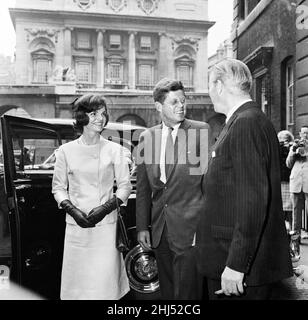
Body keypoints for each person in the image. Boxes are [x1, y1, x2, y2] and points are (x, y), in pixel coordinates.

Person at [195, 58, 293, 300]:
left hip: (237, 267)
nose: (209, 92)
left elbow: (252, 200)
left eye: (209, 85)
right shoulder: (246, 120)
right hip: (233, 260)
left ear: (219, 85)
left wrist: (237, 264)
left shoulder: (245, 123)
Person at [136, 78, 211, 300]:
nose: (181, 106)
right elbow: (143, 189)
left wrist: (203, 228)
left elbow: (208, 183)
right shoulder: (147, 137)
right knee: (167, 293)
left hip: (191, 229)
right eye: (174, 102)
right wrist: (142, 227)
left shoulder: (200, 131)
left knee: (189, 295)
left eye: (184, 101)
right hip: (160, 229)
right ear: (158, 106)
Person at [52, 93, 132, 300]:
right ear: (82, 117)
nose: (100, 118)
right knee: (78, 288)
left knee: (104, 287)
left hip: (105, 228)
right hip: (76, 228)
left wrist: (105, 208)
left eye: (103, 114)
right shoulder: (65, 151)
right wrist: (72, 209)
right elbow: (58, 188)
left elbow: (125, 187)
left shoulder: (115, 150)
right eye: (94, 113)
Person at [286, 126, 308, 258]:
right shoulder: (295, 145)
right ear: (300, 134)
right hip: (296, 182)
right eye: (303, 133)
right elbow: (288, 164)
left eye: (307, 133)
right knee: (296, 212)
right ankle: (296, 238)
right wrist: (293, 152)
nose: (305, 135)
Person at [277, 130, 294, 232]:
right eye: (281, 141)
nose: (284, 142)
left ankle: (292, 232)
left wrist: (291, 148)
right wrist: (280, 147)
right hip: (281, 181)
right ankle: (282, 232)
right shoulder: (277, 149)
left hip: (290, 181)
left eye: (286, 140)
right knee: (281, 210)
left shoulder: (292, 148)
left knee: (291, 210)